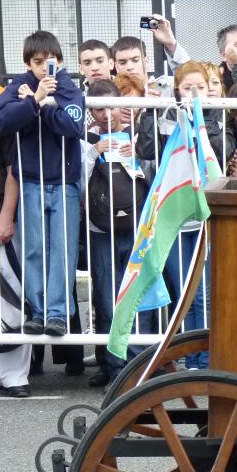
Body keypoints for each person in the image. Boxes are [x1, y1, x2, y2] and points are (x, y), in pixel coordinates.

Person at [0, 30, 85, 338]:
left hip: (65, 182)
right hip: (30, 181)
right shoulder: (18, 86)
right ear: (28, 63)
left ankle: (58, 313)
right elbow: (3, 120)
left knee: (62, 250)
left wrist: (46, 105)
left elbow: (73, 125)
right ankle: (36, 309)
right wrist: (33, 101)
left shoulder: (69, 87)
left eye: (50, 61)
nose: (44, 68)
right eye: (37, 62)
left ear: (59, 61)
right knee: (33, 248)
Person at [135, 61, 224, 369]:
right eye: (188, 88)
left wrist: (201, 114)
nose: (194, 93)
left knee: (204, 294)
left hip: (204, 218)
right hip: (175, 217)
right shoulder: (166, 118)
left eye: (200, 87)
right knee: (185, 292)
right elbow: (147, 150)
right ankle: (190, 355)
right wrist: (150, 110)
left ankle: (207, 355)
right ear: (177, 90)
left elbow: (215, 148)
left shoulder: (216, 118)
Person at [82, 79, 148, 387]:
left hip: (136, 226)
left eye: (111, 105)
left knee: (135, 294)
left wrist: (136, 153)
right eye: (98, 108)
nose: (106, 114)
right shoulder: (83, 138)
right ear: (90, 111)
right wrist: (95, 151)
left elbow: (155, 170)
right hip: (100, 230)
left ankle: (136, 364)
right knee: (106, 298)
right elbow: (75, 179)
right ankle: (113, 367)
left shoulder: (138, 134)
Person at [0, 122, 31, 397]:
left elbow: (12, 172)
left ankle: (15, 376)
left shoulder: (0, 122)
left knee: (11, 294)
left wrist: (6, 215)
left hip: (0, 216)